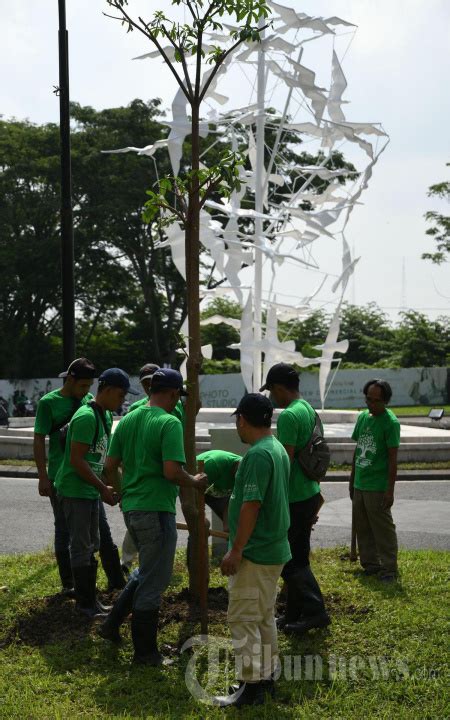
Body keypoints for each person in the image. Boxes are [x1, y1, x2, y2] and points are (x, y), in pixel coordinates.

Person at [102, 368, 206, 665]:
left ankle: (111, 625)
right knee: (154, 580)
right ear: (173, 394)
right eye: (177, 398)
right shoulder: (169, 422)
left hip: (133, 509)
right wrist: (196, 481)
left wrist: (123, 495)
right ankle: (145, 653)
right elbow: (172, 472)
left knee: (145, 571)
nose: (177, 403)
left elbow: (110, 467)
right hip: (157, 510)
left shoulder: (128, 419)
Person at [214, 394, 291, 709]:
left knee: (243, 618)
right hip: (272, 549)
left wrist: (236, 549)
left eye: (237, 420)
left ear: (242, 419)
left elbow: (252, 504)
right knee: (262, 617)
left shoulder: (258, 455)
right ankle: (266, 677)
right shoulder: (277, 448)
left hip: (256, 552)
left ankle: (250, 686)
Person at [54, 368, 138, 617]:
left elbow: (98, 460)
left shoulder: (104, 416)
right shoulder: (86, 417)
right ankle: (84, 604)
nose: (123, 400)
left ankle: (91, 600)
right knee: (81, 546)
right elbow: (77, 460)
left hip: (88, 490)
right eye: (121, 395)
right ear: (108, 390)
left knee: (93, 543)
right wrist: (102, 487)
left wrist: (110, 487)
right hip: (74, 490)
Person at [260, 363, 330, 634]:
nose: (272, 398)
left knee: (290, 561)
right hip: (310, 493)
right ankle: (293, 614)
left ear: (278, 388)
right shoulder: (308, 409)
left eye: (272, 391)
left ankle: (316, 611)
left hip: (294, 498)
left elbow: (284, 463)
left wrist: (270, 498)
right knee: (299, 556)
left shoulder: (289, 416)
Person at [34, 358, 96, 595]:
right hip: (59, 476)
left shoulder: (88, 401)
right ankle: (68, 584)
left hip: (85, 476)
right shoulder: (49, 403)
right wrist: (42, 476)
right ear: (70, 380)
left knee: (91, 533)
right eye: (82, 386)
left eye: (89, 387)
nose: (86, 392)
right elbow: (39, 439)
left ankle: (87, 583)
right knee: (63, 530)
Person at [349, 379, 400, 582]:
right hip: (360, 483)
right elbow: (357, 450)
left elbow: (393, 460)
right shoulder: (363, 418)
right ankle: (370, 564)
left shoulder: (391, 423)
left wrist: (390, 490)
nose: (371, 404)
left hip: (377, 486)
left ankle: (389, 569)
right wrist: (352, 478)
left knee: (383, 530)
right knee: (363, 527)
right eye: (368, 399)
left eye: (376, 400)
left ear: (385, 401)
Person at [197, 450, 241, 532]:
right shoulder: (214, 464)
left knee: (233, 528)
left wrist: (228, 526)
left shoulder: (247, 475)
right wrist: (201, 518)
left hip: (215, 490)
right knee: (199, 527)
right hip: (194, 485)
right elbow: (192, 495)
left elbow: (231, 501)